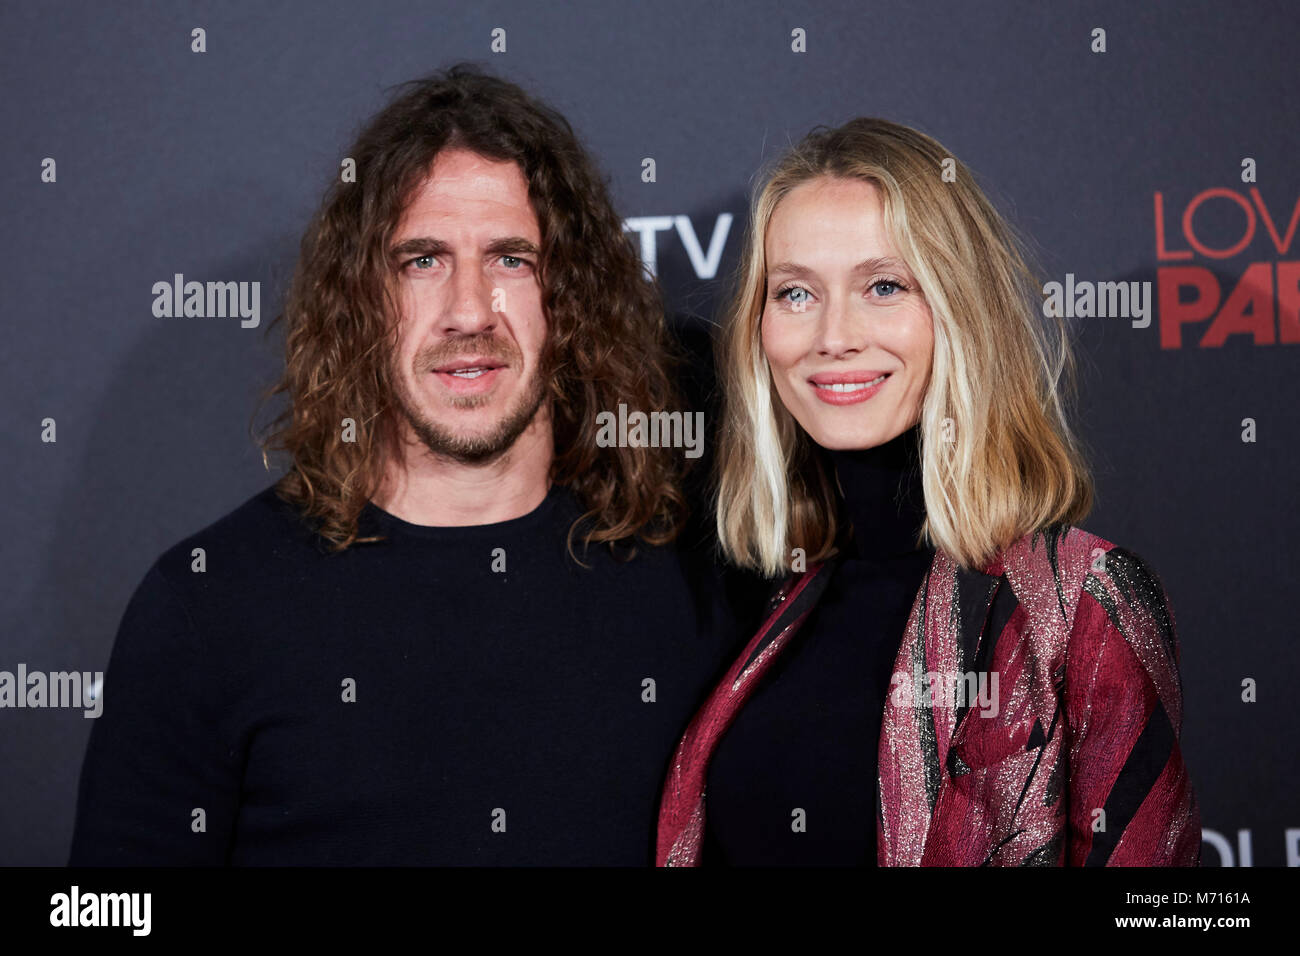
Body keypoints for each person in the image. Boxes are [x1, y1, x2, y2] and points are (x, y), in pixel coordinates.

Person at [69, 64, 742, 865]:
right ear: (361, 299)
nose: (467, 310)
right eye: (421, 260)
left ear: (570, 297)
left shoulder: (694, 585)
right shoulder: (206, 606)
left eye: (510, 260)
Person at [657, 118, 1202, 866]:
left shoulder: (1084, 601)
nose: (833, 334)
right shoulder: (765, 603)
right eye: (794, 292)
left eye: (884, 286)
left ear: (959, 309)